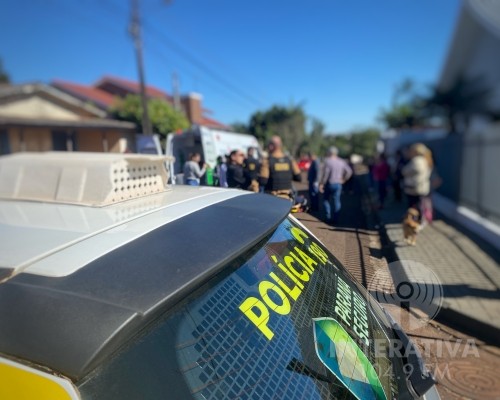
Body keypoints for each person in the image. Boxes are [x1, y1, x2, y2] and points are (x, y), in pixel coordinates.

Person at [259, 136, 301, 200]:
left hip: (272, 198)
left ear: (271, 146)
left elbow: (263, 181)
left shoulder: (267, 161)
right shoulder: (290, 160)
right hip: (287, 198)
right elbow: (298, 178)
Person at [319, 146, 353, 224]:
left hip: (329, 183)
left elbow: (326, 174)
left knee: (326, 200)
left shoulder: (327, 161)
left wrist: (321, 184)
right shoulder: (341, 161)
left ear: (329, 153)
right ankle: (336, 218)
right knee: (337, 201)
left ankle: (328, 217)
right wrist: (344, 179)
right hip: (338, 184)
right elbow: (349, 171)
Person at [402, 143, 433, 224]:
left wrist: (404, 170)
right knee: (420, 204)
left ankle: (416, 220)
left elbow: (407, 171)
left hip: (414, 187)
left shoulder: (417, 160)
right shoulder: (425, 159)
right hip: (421, 186)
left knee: (414, 206)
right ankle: (419, 220)